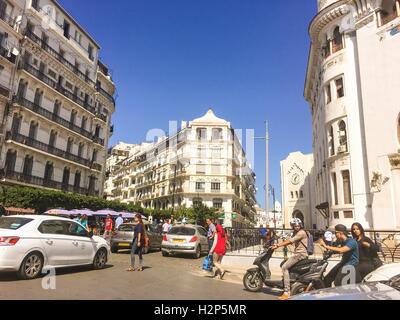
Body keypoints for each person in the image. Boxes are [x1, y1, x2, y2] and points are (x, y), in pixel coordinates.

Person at [271, 218, 308, 300]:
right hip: (299, 254)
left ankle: (287, 292)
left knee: (284, 267)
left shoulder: (301, 233)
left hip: (300, 254)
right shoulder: (297, 233)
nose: (297, 227)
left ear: (301, 225)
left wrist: (277, 245)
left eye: (298, 225)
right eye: (295, 226)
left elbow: (290, 241)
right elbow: (289, 240)